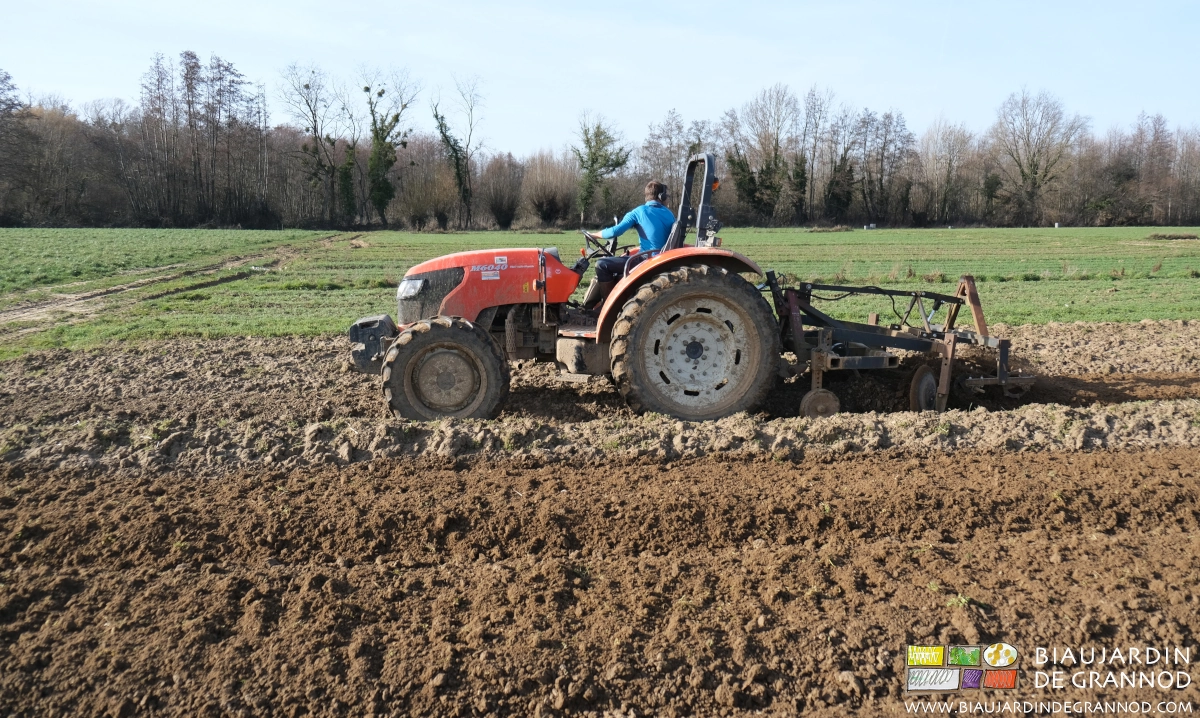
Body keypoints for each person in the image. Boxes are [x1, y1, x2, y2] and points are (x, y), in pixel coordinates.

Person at [584, 180, 675, 309]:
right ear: (662, 196)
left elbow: (615, 231)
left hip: (647, 260)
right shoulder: (669, 214)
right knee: (617, 262)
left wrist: (594, 235)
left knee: (602, 265)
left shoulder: (639, 211)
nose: (668, 199)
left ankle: (607, 307)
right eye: (667, 196)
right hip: (660, 258)